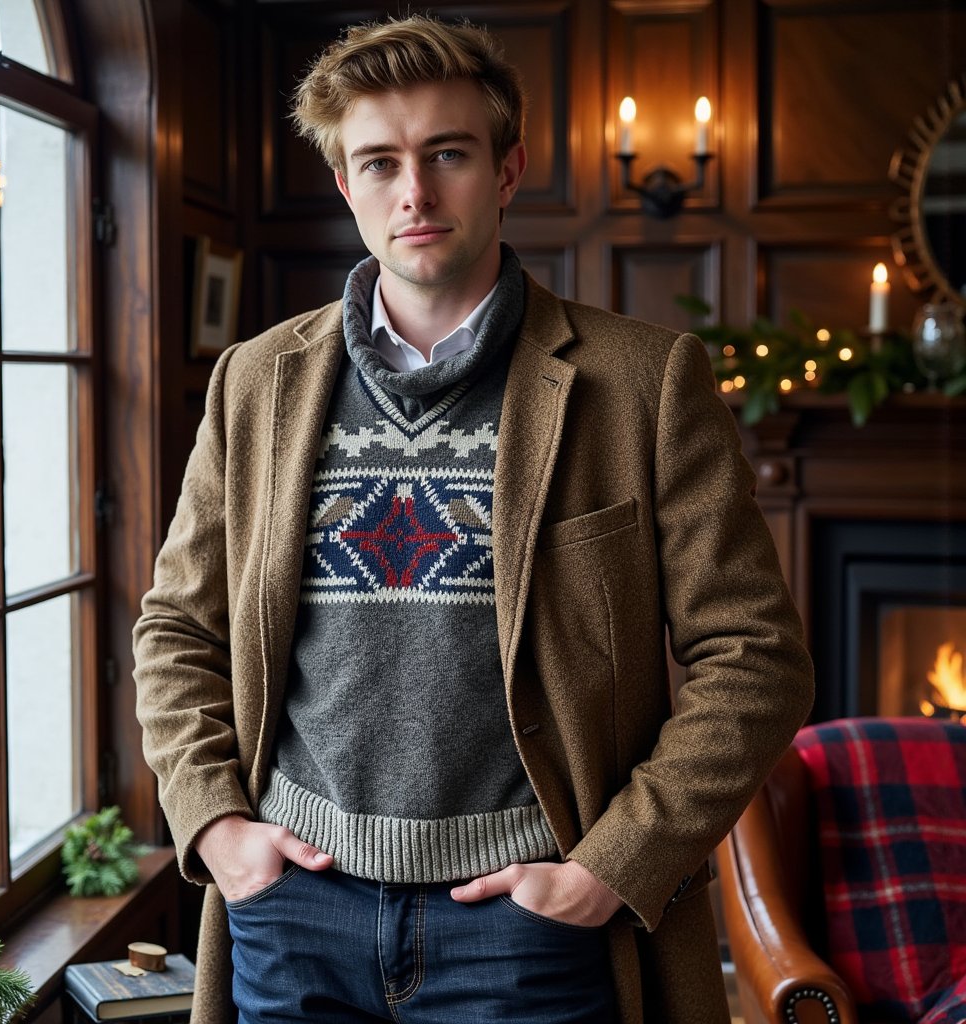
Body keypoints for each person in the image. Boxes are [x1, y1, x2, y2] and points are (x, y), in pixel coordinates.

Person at [133, 14, 814, 1024]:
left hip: (528, 926)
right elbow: (177, 629)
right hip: (294, 912)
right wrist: (216, 826)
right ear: (345, 185)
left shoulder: (642, 383)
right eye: (379, 163)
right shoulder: (255, 382)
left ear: (507, 170)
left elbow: (756, 658)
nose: (413, 192)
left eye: (447, 154)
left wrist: (609, 866)